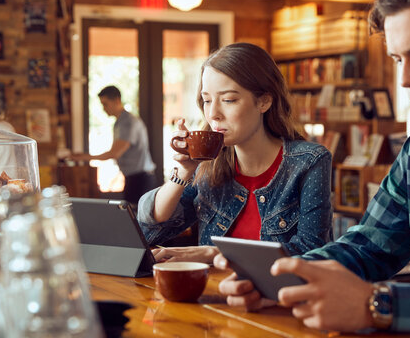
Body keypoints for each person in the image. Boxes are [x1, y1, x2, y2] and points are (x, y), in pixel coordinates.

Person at [215, 0, 410, 336]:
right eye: (396, 58)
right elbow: (371, 244)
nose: (405, 79)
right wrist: (282, 277)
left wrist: (378, 305)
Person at [137, 42, 333, 264]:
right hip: (217, 294)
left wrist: (216, 254)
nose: (213, 114)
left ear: (264, 101)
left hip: (282, 295)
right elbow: (151, 232)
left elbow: (312, 251)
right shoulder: (209, 167)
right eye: (207, 100)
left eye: (229, 100)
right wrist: (183, 172)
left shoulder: (309, 161)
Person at [71, 85, 156, 206]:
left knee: (136, 221)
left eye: (105, 104)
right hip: (134, 178)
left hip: (140, 180)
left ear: (117, 101)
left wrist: (83, 157)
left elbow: (115, 153)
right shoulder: (120, 122)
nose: (103, 108)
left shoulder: (127, 122)